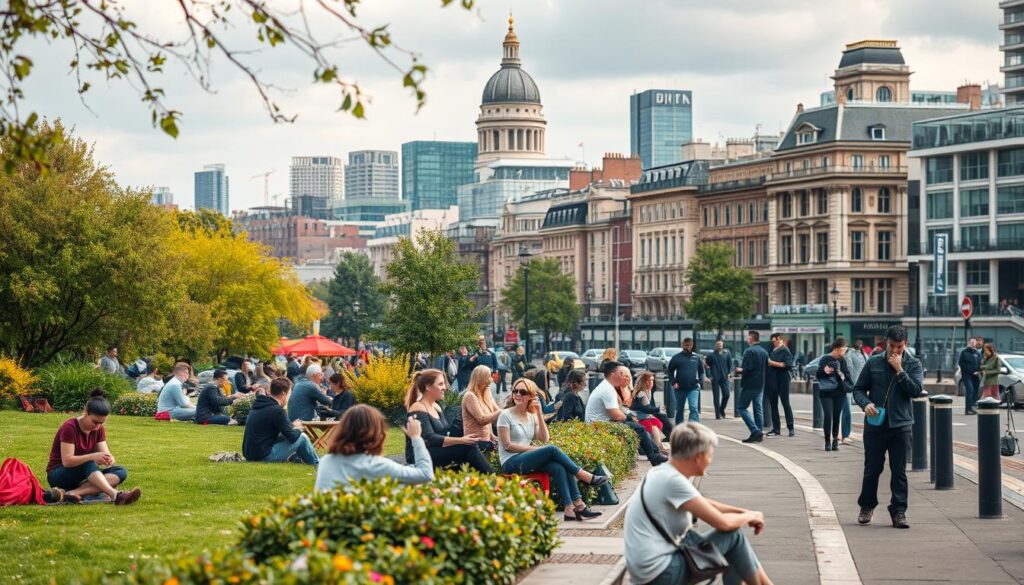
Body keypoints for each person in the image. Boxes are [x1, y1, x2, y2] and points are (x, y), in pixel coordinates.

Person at [624, 423, 773, 585]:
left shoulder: (663, 472)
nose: (710, 460)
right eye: (710, 455)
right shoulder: (673, 481)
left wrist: (744, 512)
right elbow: (723, 523)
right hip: (660, 574)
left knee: (734, 545)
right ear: (698, 456)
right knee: (733, 536)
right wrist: (750, 516)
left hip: (653, 567)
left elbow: (702, 503)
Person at [498, 377, 608, 521]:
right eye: (515, 391)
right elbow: (507, 445)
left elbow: (544, 439)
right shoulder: (505, 415)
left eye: (522, 392)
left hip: (526, 459)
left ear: (532, 396)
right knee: (552, 450)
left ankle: (573, 507)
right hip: (510, 462)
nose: (517, 394)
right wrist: (533, 449)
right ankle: (583, 475)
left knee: (558, 466)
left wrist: (538, 413)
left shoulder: (531, 416)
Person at [852, 325, 924, 529]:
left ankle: (899, 511)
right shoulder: (874, 362)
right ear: (886, 343)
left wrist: (900, 370)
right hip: (876, 425)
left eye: (899, 346)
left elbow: (916, 391)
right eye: (892, 346)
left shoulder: (913, 364)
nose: (895, 351)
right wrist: (866, 404)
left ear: (906, 344)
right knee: (872, 469)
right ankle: (867, 506)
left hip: (901, 425)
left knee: (899, 471)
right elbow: (857, 389)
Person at [46, 389, 142, 505]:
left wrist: (109, 459)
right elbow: (67, 461)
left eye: (102, 423)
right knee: (89, 463)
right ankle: (116, 495)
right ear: (85, 412)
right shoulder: (69, 427)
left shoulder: (98, 429)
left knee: (121, 471)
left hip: (84, 474)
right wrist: (93, 457)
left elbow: (105, 453)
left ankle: (70, 494)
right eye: (95, 422)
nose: (97, 427)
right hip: (59, 474)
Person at [315, 405, 433, 491]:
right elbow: (426, 474)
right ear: (376, 434)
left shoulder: (326, 461)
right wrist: (416, 437)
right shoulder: (376, 465)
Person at [404, 369, 492, 473]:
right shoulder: (418, 407)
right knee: (467, 447)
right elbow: (429, 438)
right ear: (428, 386)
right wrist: (462, 440)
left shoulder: (436, 406)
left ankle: (467, 484)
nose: (445, 388)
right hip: (418, 454)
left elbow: (445, 432)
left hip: (435, 450)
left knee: (465, 452)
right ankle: (494, 480)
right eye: (440, 384)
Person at [586, 362, 668, 465]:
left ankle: (655, 454)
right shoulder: (607, 390)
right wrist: (630, 417)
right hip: (600, 425)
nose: (623, 377)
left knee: (639, 427)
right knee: (639, 428)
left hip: (603, 422)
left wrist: (629, 415)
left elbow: (619, 410)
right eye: (621, 373)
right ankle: (654, 456)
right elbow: (617, 415)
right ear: (612, 374)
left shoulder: (607, 387)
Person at [242, 377, 320, 465]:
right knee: (302, 437)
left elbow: (282, 432)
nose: (289, 397)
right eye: (289, 394)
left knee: (289, 435)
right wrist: (298, 428)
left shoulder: (261, 405)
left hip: (250, 455)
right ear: (283, 394)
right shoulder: (277, 410)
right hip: (263, 457)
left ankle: (301, 459)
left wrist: (291, 426)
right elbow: (292, 437)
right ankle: (317, 463)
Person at [817, 339, 852, 451]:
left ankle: (835, 440)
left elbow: (847, 374)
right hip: (826, 392)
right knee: (828, 415)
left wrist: (841, 375)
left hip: (839, 392)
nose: (844, 351)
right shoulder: (825, 359)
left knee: (837, 416)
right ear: (836, 348)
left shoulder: (842, 360)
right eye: (843, 349)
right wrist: (825, 371)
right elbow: (818, 374)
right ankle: (827, 441)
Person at [736, 331, 769, 443]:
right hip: (761, 384)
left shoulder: (749, 351)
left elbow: (748, 368)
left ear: (751, 338)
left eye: (747, 337)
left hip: (749, 384)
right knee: (758, 408)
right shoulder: (764, 352)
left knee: (741, 407)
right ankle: (759, 434)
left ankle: (755, 431)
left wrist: (740, 370)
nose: (746, 339)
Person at [462, 365, 501, 452]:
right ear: (481, 378)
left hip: (487, 441)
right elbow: (482, 419)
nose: (491, 380)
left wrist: (492, 435)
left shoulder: (487, 393)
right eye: (488, 377)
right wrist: (501, 412)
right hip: (475, 443)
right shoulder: (470, 396)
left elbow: (495, 411)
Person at [667, 338, 705, 424]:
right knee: (680, 409)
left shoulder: (697, 357)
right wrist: (673, 383)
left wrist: (700, 382)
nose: (688, 347)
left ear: (692, 346)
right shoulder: (676, 357)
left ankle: (693, 427)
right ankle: (680, 428)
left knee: (693, 408)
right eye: (686, 345)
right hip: (679, 388)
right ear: (682, 345)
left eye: (690, 346)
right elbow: (670, 371)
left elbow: (702, 371)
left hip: (693, 388)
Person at [631, 372, 673, 449]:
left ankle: (662, 444)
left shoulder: (648, 390)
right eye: (649, 380)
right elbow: (645, 408)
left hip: (644, 415)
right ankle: (657, 448)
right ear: (644, 382)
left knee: (660, 420)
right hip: (639, 417)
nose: (651, 383)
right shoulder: (641, 393)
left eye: (652, 380)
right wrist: (658, 409)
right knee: (655, 425)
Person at [765, 333, 795, 437]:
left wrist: (771, 362)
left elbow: (786, 364)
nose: (772, 343)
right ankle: (776, 429)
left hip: (783, 379)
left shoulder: (785, 350)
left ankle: (791, 428)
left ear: (779, 339)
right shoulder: (773, 350)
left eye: (773, 341)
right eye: (771, 341)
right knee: (773, 404)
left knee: (785, 403)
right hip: (773, 379)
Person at [843, 340, 868, 443]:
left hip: (863, 387)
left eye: (861, 343)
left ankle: (869, 433)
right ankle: (845, 434)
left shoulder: (864, 354)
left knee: (867, 409)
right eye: (858, 343)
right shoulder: (849, 353)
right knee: (847, 410)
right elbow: (848, 369)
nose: (860, 345)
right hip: (851, 387)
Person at [706, 341, 732, 419]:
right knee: (716, 397)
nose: (719, 346)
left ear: (723, 345)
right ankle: (717, 415)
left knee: (726, 394)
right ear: (716, 346)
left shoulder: (727, 354)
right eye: (717, 344)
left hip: (724, 377)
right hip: (715, 378)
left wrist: (729, 373)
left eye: (720, 344)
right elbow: (707, 366)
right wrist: (709, 376)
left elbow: (730, 365)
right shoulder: (711, 355)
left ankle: (721, 409)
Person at [958, 338, 981, 414]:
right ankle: (968, 409)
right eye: (971, 342)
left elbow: (979, 364)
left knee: (976, 391)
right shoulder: (964, 352)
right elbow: (961, 364)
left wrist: (979, 371)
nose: (973, 343)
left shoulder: (977, 353)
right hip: (967, 375)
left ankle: (972, 406)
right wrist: (972, 371)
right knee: (970, 390)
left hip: (976, 375)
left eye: (974, 342)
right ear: (968, 343)